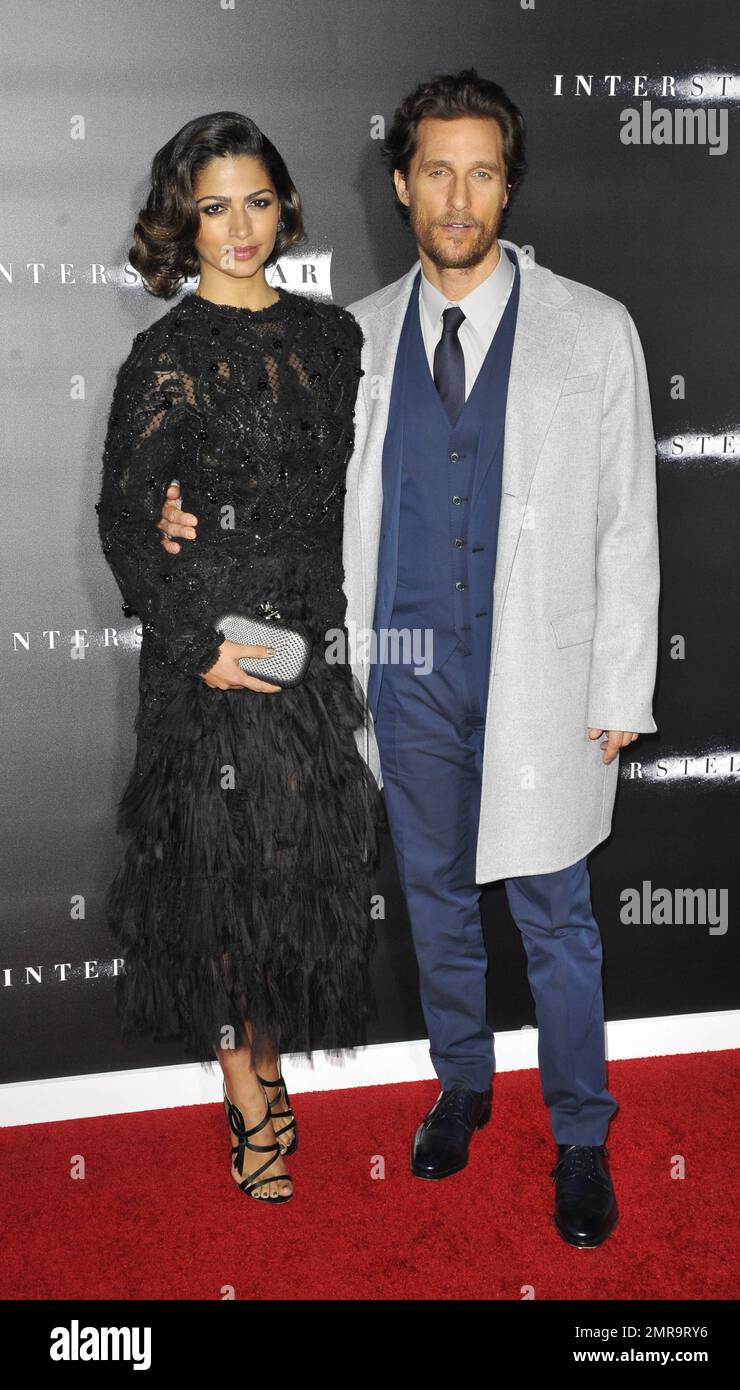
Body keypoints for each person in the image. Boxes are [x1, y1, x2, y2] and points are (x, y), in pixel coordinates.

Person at [157, 70, 660, 1248]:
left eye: (482, 170)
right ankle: (463, 1085)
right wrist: (174, 508)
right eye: (436, 168)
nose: (458, 195)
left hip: (543, 670)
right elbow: (278, 486)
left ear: (506, 186)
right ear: (399, 182)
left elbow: (627, 517)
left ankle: (580, 1134)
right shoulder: (353, 334)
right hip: (403, 674)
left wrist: (618, 684)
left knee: (553, 912)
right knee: (432, 896)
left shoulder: (594, 328)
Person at [96, 111, 385, 1205]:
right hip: (208, 668)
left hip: (306, 662)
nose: (238, 227)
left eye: (256, 201)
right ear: (185, 218)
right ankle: (246, 1090)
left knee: (289, 880)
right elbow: (126, 522)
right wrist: (194, 642)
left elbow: (325, 507)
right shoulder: (163, 357)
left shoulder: (332, 341)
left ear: (284, 207)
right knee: (215, 893)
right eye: (214, 206)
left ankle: (265, 1061)